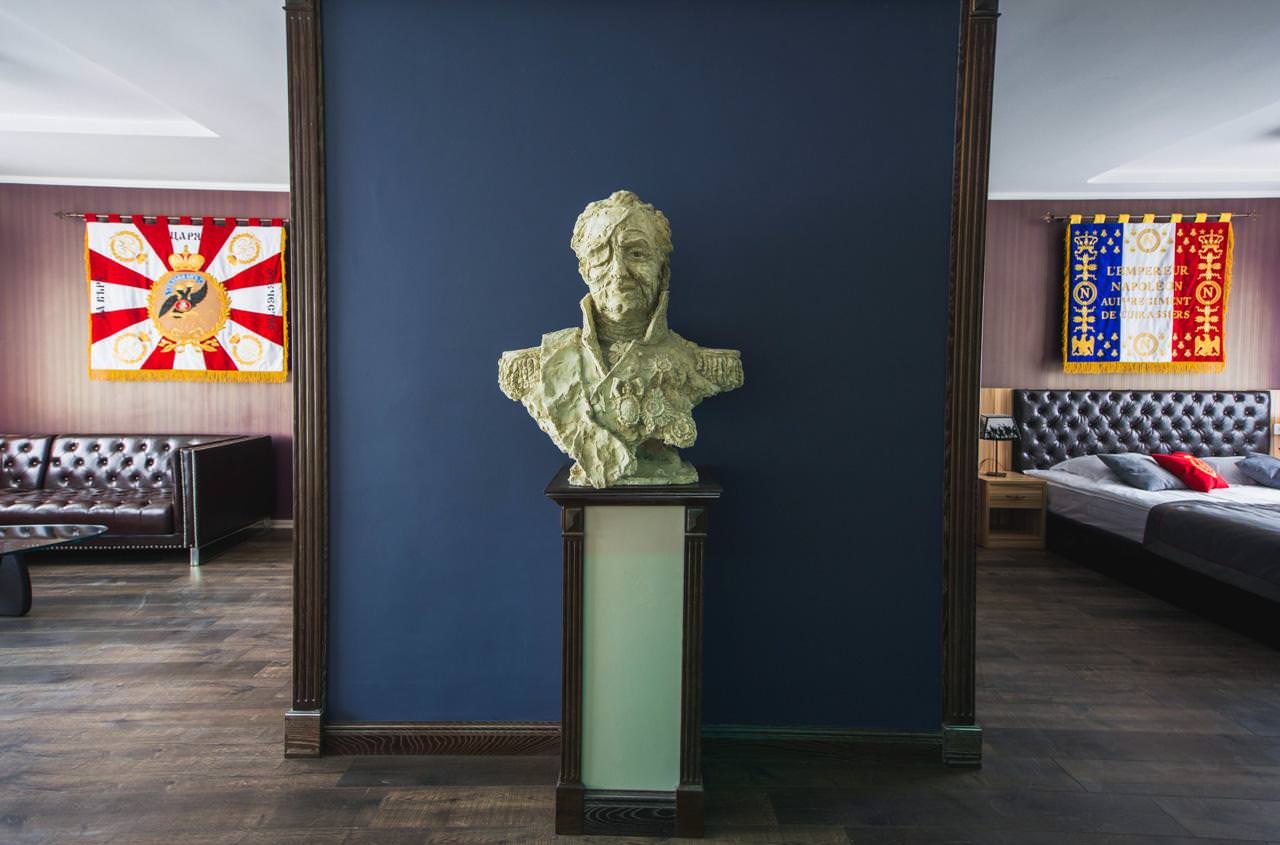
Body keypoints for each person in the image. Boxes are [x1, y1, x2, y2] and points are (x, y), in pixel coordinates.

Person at [499, 190, 743, 487]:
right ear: (585, 270)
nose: (618, 272)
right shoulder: (538, 366)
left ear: (662, 270)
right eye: (601, 256)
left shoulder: (700, 365)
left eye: (636, 254)